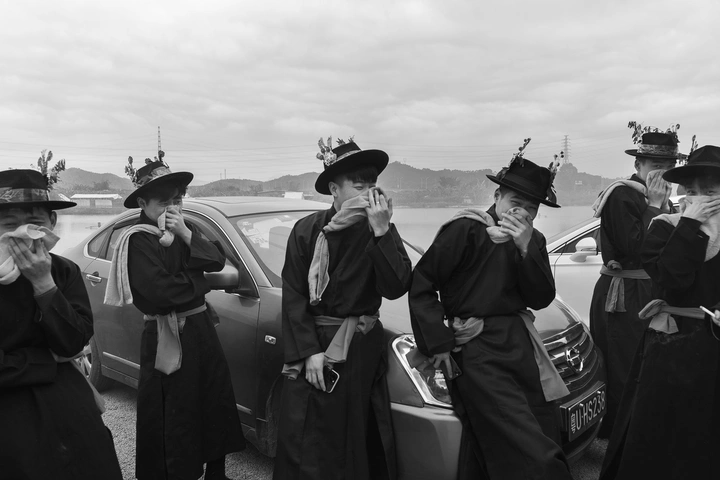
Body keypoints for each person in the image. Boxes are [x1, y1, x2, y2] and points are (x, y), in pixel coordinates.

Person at [408, 140, 572, 480]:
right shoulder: (466, 229)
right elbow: (422, 283)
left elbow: (540, 298)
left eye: (530, 209)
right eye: (514, 203)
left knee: (530, 427)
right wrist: (438, 343)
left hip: (520, 345)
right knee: (527, 447)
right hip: (477, 349)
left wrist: (525, 249)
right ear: (497, 196)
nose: (520, 214)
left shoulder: (534, 240)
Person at [273, 137, 412, 480]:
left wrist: (382, 232)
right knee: (311, 437)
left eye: (373, 185)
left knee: (359, 434)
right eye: (359, 186)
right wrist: (308, 352)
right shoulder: (307, 230)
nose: (369, 193)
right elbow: (294, 296)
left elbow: (396, 287)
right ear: (334, 189)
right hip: (320, 347)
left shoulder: (379, 228)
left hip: (362, 348)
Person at [105, 153, 244, 480]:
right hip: (164, 334)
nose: (172, 208)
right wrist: (200, 283)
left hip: (200, 328)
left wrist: (185, 234)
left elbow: (217, 260)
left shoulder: (186, 229)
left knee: (214, 398)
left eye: (177, 200)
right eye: (163, 201)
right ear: (143, 202)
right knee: (172, 410)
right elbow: (160, 293)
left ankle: (217, 472)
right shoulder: (137, 239)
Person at [600, 144, 720, 480]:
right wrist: (691, 225)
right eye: (692, 191)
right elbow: (671, 278)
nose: (700, 199)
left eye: (710, 192)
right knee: (663, 432)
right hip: (673, 346)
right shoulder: (665, 226)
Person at [0, 167, 123, 479]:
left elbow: (73, 343)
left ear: (52, 222)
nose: (24, 234)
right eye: (10, 225)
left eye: (35, 224)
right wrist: (47, 360)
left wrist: (43, 283)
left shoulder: (64, 271)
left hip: (69, 406)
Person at [588, 122, 681, 438]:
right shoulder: (623, 195)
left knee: (649, 359)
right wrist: (653, 206)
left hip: (650, 289)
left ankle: (643, 428)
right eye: (656, 165)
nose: (662, 173)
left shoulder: (664, 198)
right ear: (638, 164)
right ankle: (620, 434)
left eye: (668, 166)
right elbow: (637, 247)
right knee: (625, 363)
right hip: (625, 292)